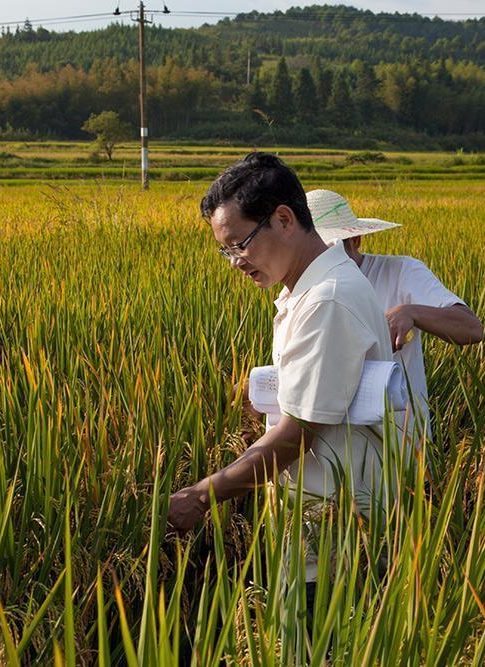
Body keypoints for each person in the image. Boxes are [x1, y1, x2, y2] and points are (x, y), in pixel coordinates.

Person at [167, 153, 400, 601]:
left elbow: (297, 436)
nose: (235, 261)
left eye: (240, 244)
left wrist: (201, 495)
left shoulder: (327, 300)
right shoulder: (307, 292)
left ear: (284, 218)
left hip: (340, 543)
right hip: (320, 529)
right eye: (226, 250)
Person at [306, 189, 484, 438]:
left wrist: (411, 312)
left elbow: (471, 328)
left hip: (401, 446)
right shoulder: (303, 290)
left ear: (355, 240)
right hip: (332, 447)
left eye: (331, 249)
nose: (322, 261)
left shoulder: (400, 272)